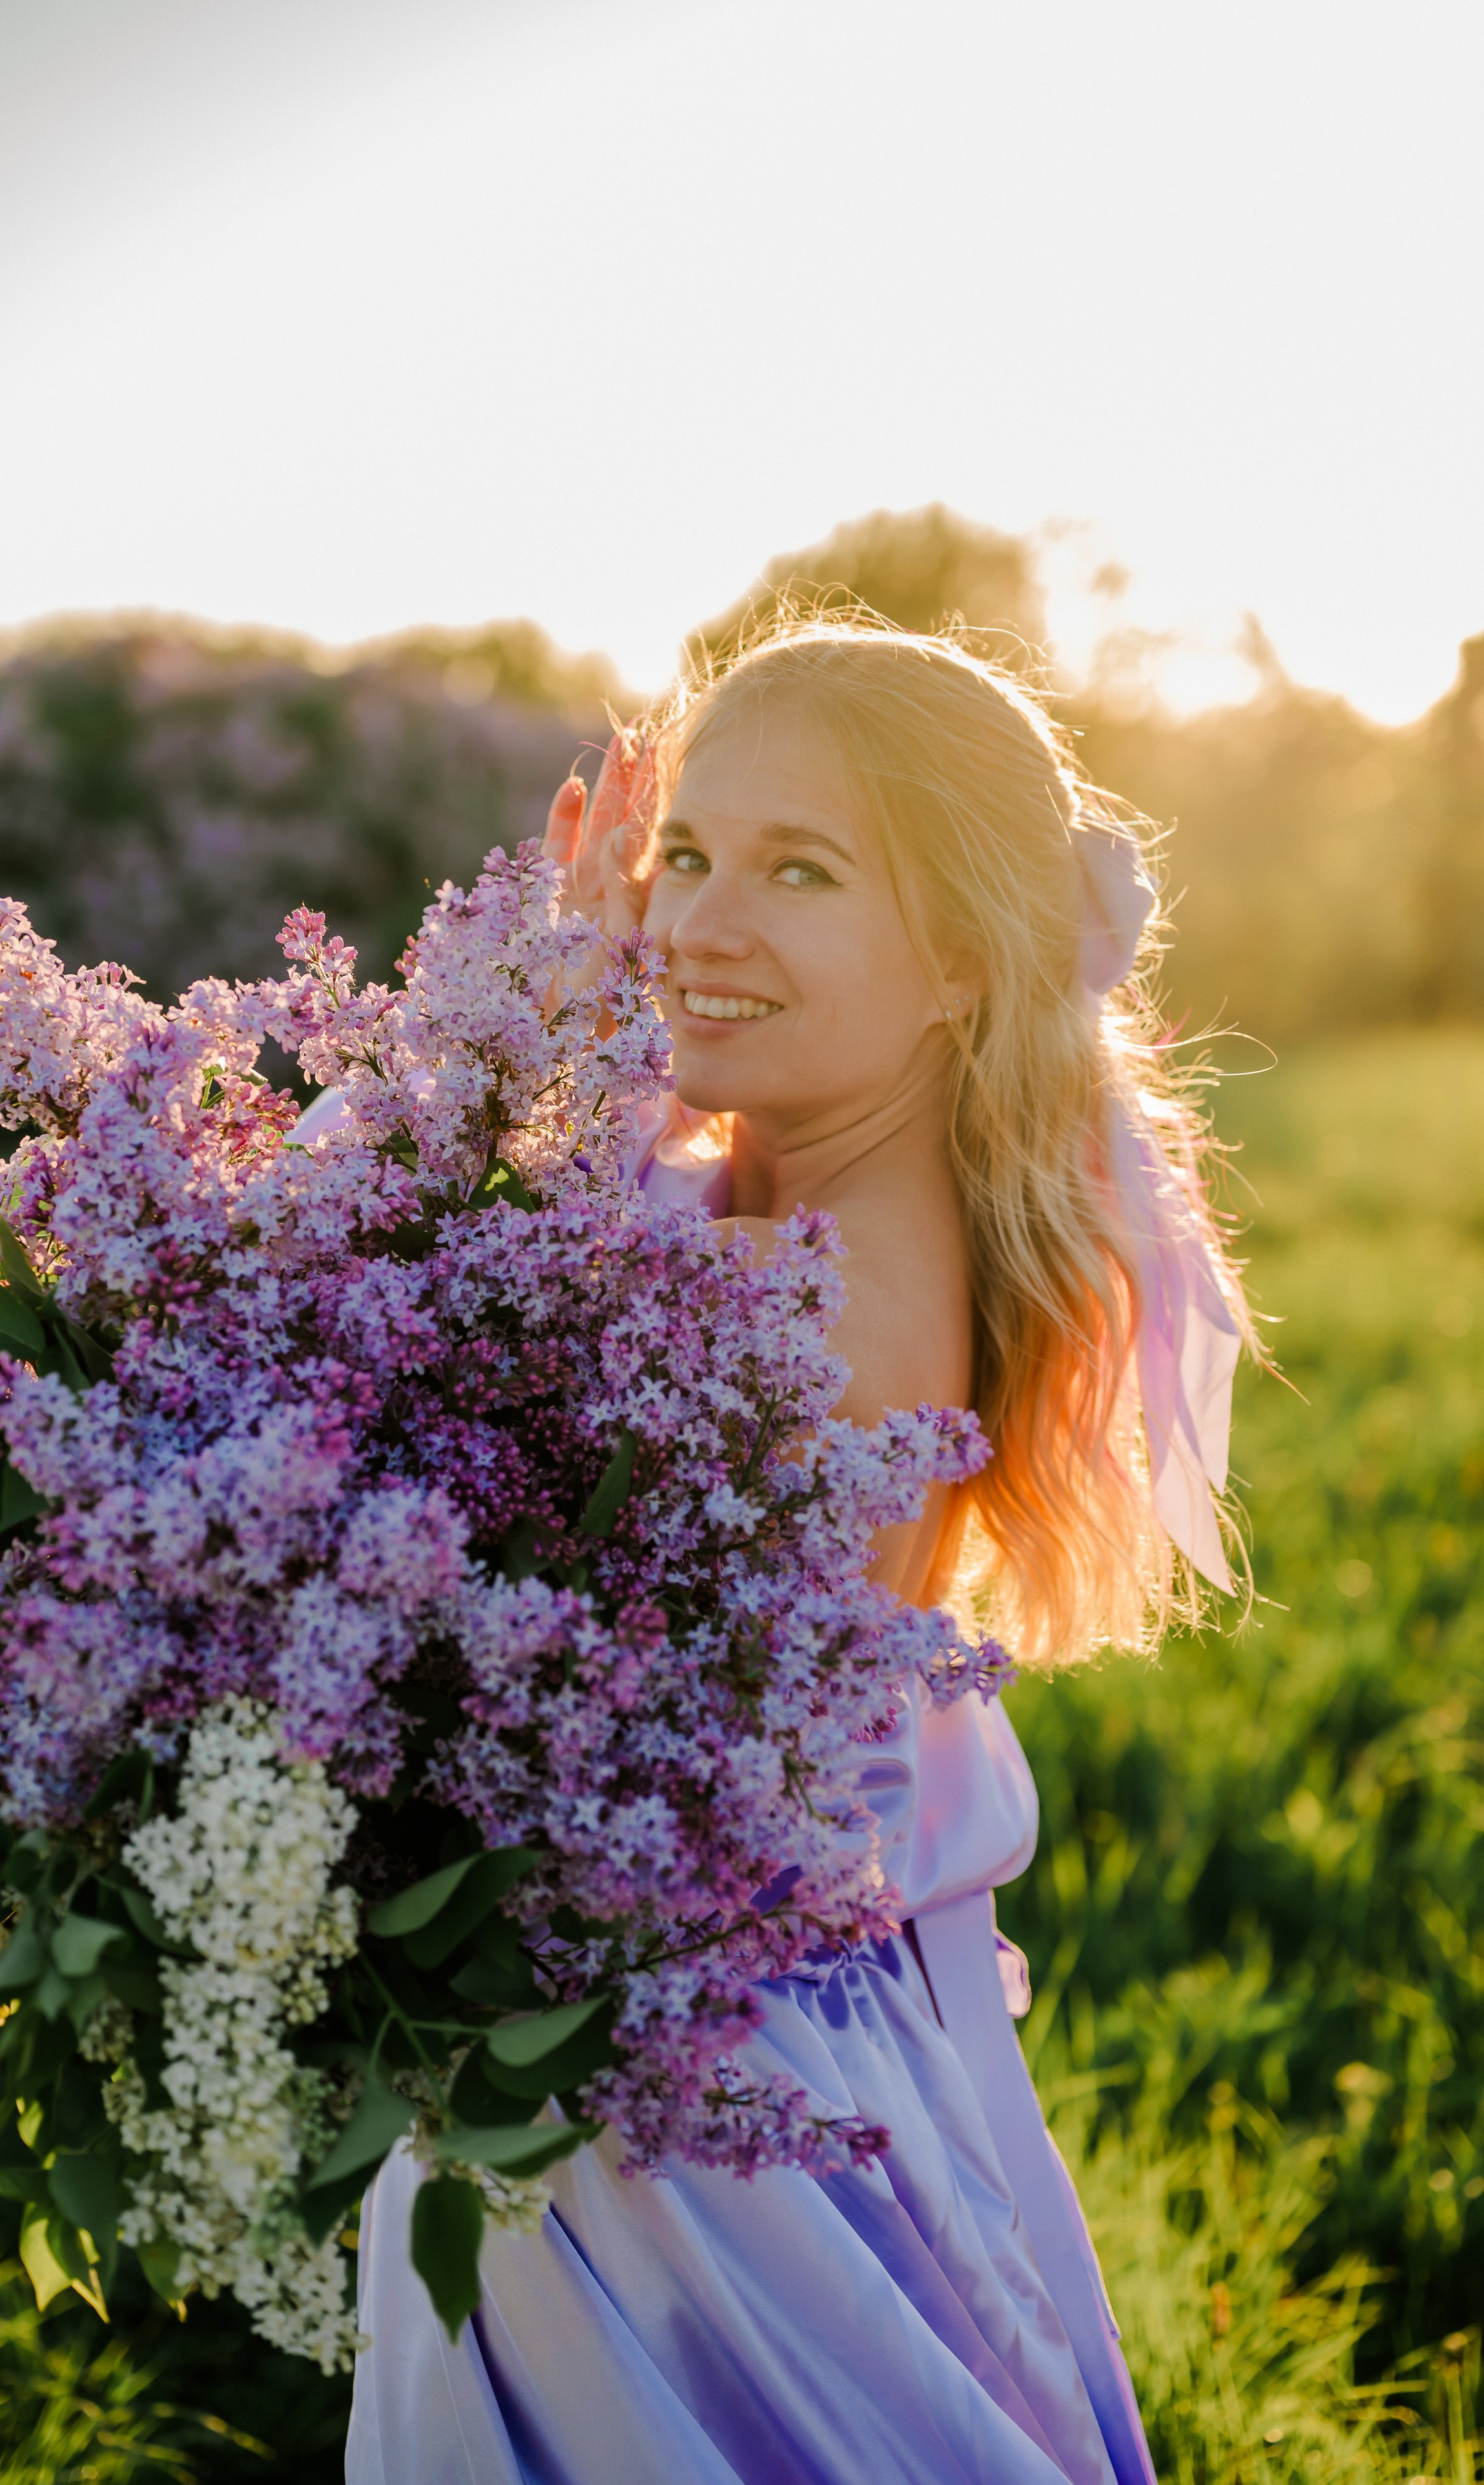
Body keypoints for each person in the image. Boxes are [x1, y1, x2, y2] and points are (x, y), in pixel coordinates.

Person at [345, 614, 1252, 2485]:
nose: (692, 920)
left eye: (801, 870)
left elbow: (436, 1402)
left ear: (958, 961)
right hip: (690, 2042)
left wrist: (537, 1058)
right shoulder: (773, 1191)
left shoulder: (814, 1293)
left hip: (689, 2123)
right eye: (686, 851)